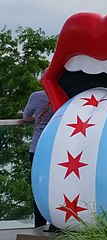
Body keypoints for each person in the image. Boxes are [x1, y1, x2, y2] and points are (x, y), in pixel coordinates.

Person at [23, 89, 53, 228]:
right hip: (55, 147)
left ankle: (39, 225)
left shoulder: (36, 96)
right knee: (54, 186)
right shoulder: (63, 94)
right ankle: (56, 223)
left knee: (38, 187)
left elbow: (25, 116)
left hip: (37, 147)